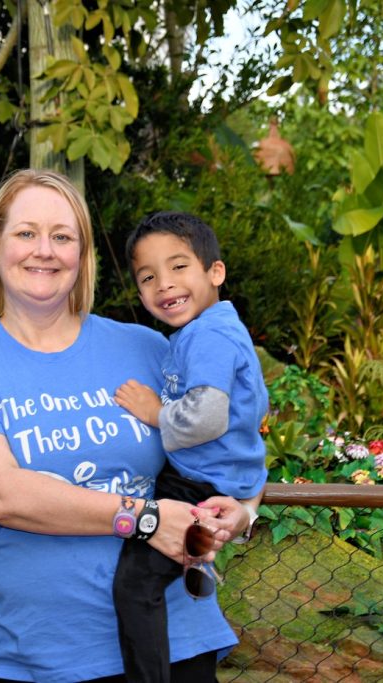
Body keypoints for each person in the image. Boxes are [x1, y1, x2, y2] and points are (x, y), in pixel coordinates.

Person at [0, 169, 261, 683]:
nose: (45, 250)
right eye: (26, 233)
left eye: (63, 237)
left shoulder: (149, 348)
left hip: (176, 644)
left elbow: (232, 438)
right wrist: (144, 518)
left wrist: (241, 513)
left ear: (82, 257)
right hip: (44, 657)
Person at [113, 211, 269, 683]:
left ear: (214, 272)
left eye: (178, 266)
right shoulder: (206, 331)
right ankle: (195, 560)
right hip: (216, 479)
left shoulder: (210, 334)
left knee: (135, 585)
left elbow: (207, 415)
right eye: (148, 276)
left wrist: (154, 412)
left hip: (196, 484)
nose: (164, 284)